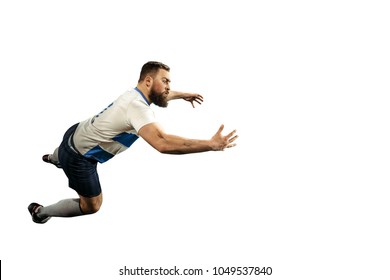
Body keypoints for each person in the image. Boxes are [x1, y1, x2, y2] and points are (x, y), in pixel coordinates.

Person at [28, 61, 238, 224]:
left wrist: (182, 95)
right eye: (165, 81)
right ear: (148, 81)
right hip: (78, 159)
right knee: (92, 206)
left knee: (68, 147)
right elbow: (162, 142)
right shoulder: (137, 109)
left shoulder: (133, 94)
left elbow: (161, 95)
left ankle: (53, 158)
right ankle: (40, 212)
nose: (168, 87)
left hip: (74, 132)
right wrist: (211, 144)